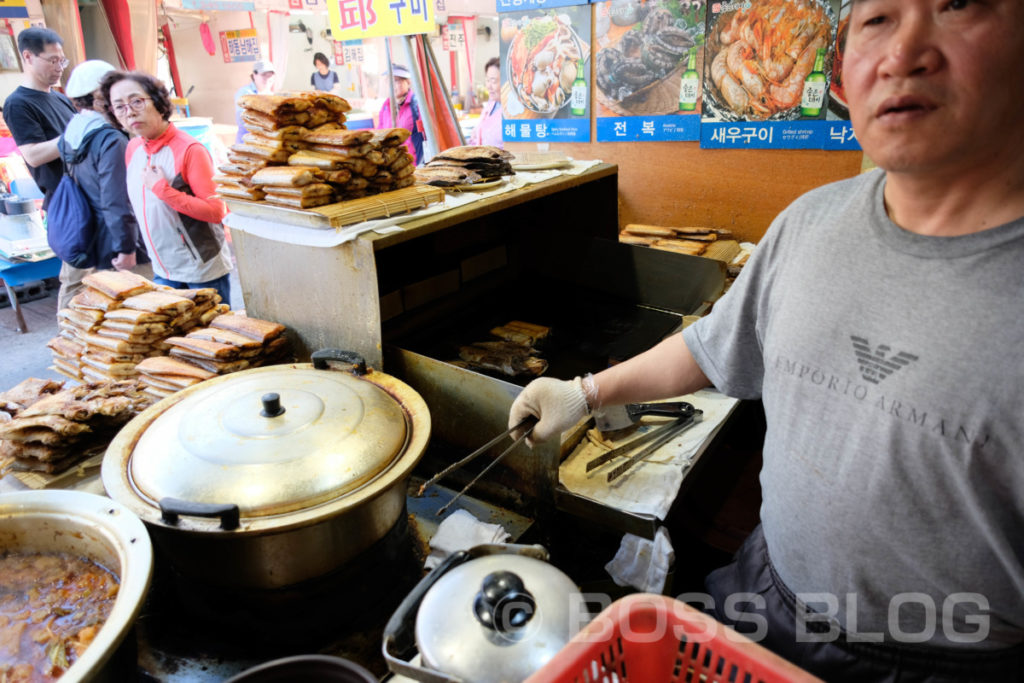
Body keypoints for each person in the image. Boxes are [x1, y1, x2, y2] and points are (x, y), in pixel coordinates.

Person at [508, 1, 1024, 681]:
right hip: (763, 591)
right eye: (877, 19)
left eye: (957, 5)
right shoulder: (810, 222)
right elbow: (713, 344)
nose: (904, 53)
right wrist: (585, 392)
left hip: (942, 661)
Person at [101, 71, 233, 304]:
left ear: (158, 101)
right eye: (119, 106)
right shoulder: (133, 148)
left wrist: (164, 190)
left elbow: (216, 211)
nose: (129, 111)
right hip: (162, 269)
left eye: (137, 101)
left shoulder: (189, 149)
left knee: (212, 337)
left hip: (200, 270)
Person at [54, 60, 148, 310]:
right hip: (113, 241)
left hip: (83, 232)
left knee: (80, 302)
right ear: (98, 97)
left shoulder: (71, 132)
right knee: (139, 308)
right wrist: (126, 247)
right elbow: (115, 198)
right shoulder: (110, 139)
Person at [2, 27, 75, 209]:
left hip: (85, 192)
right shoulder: (18, 103)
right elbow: (33, 154)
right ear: (28, 57)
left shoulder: (61, 98)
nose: (59, 67)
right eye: (52, 60)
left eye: (62, 61)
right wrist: (75, 136)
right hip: (64, 202)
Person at [377, 64, 424, 164]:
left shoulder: (417, 104)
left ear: (408, 82)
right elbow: (380, 133)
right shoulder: (386, 106)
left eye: (396, 80)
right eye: (389, 81)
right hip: (392, 164)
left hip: (414, 164)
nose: (392, 85)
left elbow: (427, 135)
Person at [234, 60, 275, 144]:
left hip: (266, 142)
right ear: (254, 75)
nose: (267, 79)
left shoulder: (273, 95)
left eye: (270, 75)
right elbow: (243, 119)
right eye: (264, 75)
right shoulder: (245, 93)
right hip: (247, 142)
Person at [468, 57, 502, 148]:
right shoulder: (491, 104)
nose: (489, 86)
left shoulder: (511, 113)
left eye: (493, 81)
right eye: (487, 80)